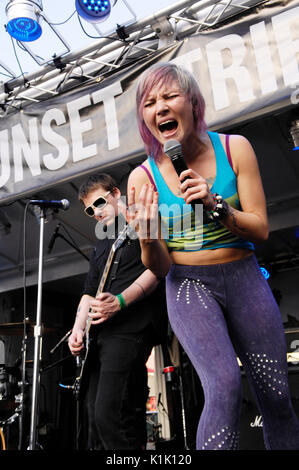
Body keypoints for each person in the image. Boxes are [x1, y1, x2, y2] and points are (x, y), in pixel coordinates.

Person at [127, 62, 299, 450]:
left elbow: (261, 228)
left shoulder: (234, 147)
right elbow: (160, 266)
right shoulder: (142, 178)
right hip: (187, 285)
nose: (161, 107)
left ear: (192, 102)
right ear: (145, 118)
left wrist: (215, 204)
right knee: (222, 386)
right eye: (150, 102)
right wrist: (147, 238)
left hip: (244, 276)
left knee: (276, 394)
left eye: (170, 96)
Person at [68, 173, 167, 450]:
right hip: (100, 335)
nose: (96, 213)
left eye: (99, 203)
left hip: (132, 327)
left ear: (115, 193)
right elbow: (89, 292)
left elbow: (157, 271)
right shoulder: (101, 244)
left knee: (110, 414)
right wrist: (77, 330)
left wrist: (120, 301)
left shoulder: (141, 220)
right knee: (93, 418)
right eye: (90, 210)